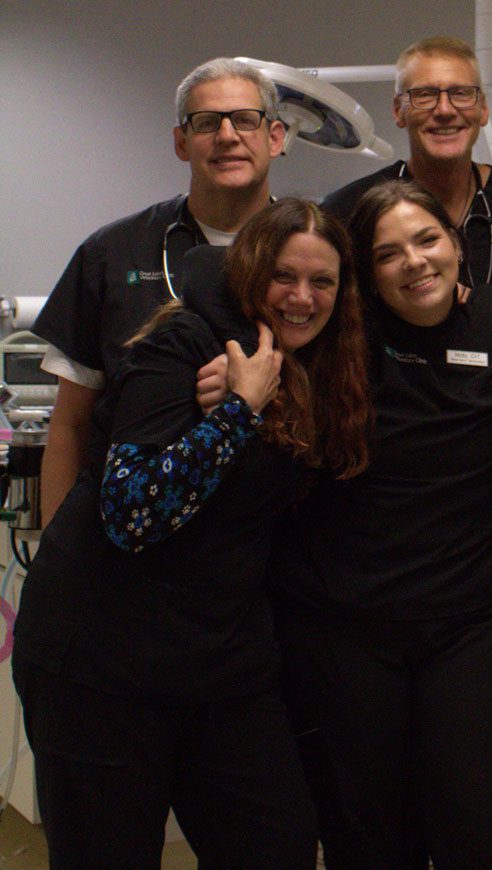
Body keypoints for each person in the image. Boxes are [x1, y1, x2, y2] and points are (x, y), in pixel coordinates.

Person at [12, 198, 372, 868]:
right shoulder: (181, 346)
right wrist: (238, 409)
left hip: (219, 665)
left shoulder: (320, 367)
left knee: (279, 844)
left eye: (322, 282)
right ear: (250, 272)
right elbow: (133, 513)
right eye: (284, 276)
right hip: (98, 662)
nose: (301, 297)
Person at [270, 180, 492, 868]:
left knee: (483, 828)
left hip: (468, 626)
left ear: (455, 246)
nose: (415, 262)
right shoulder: (332, 344)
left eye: (427, 240)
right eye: (389, 254)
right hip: (344, 631)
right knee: (369, 835)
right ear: (366, 273)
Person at [33, 57, 286, 526]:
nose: (227, 136)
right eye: (207, 122)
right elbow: (69, 424)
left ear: (275, 138)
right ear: (181, 142)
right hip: (131, 541)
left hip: (269, 540)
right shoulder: (113, 252)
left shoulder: (313, 254)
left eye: (245, 120)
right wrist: (55, 549)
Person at [322, 36, 492, 290]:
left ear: (483, 109)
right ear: (399, 110)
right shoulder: (347, 211)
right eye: (425, 95)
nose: (445, 110)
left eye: (461, 94)